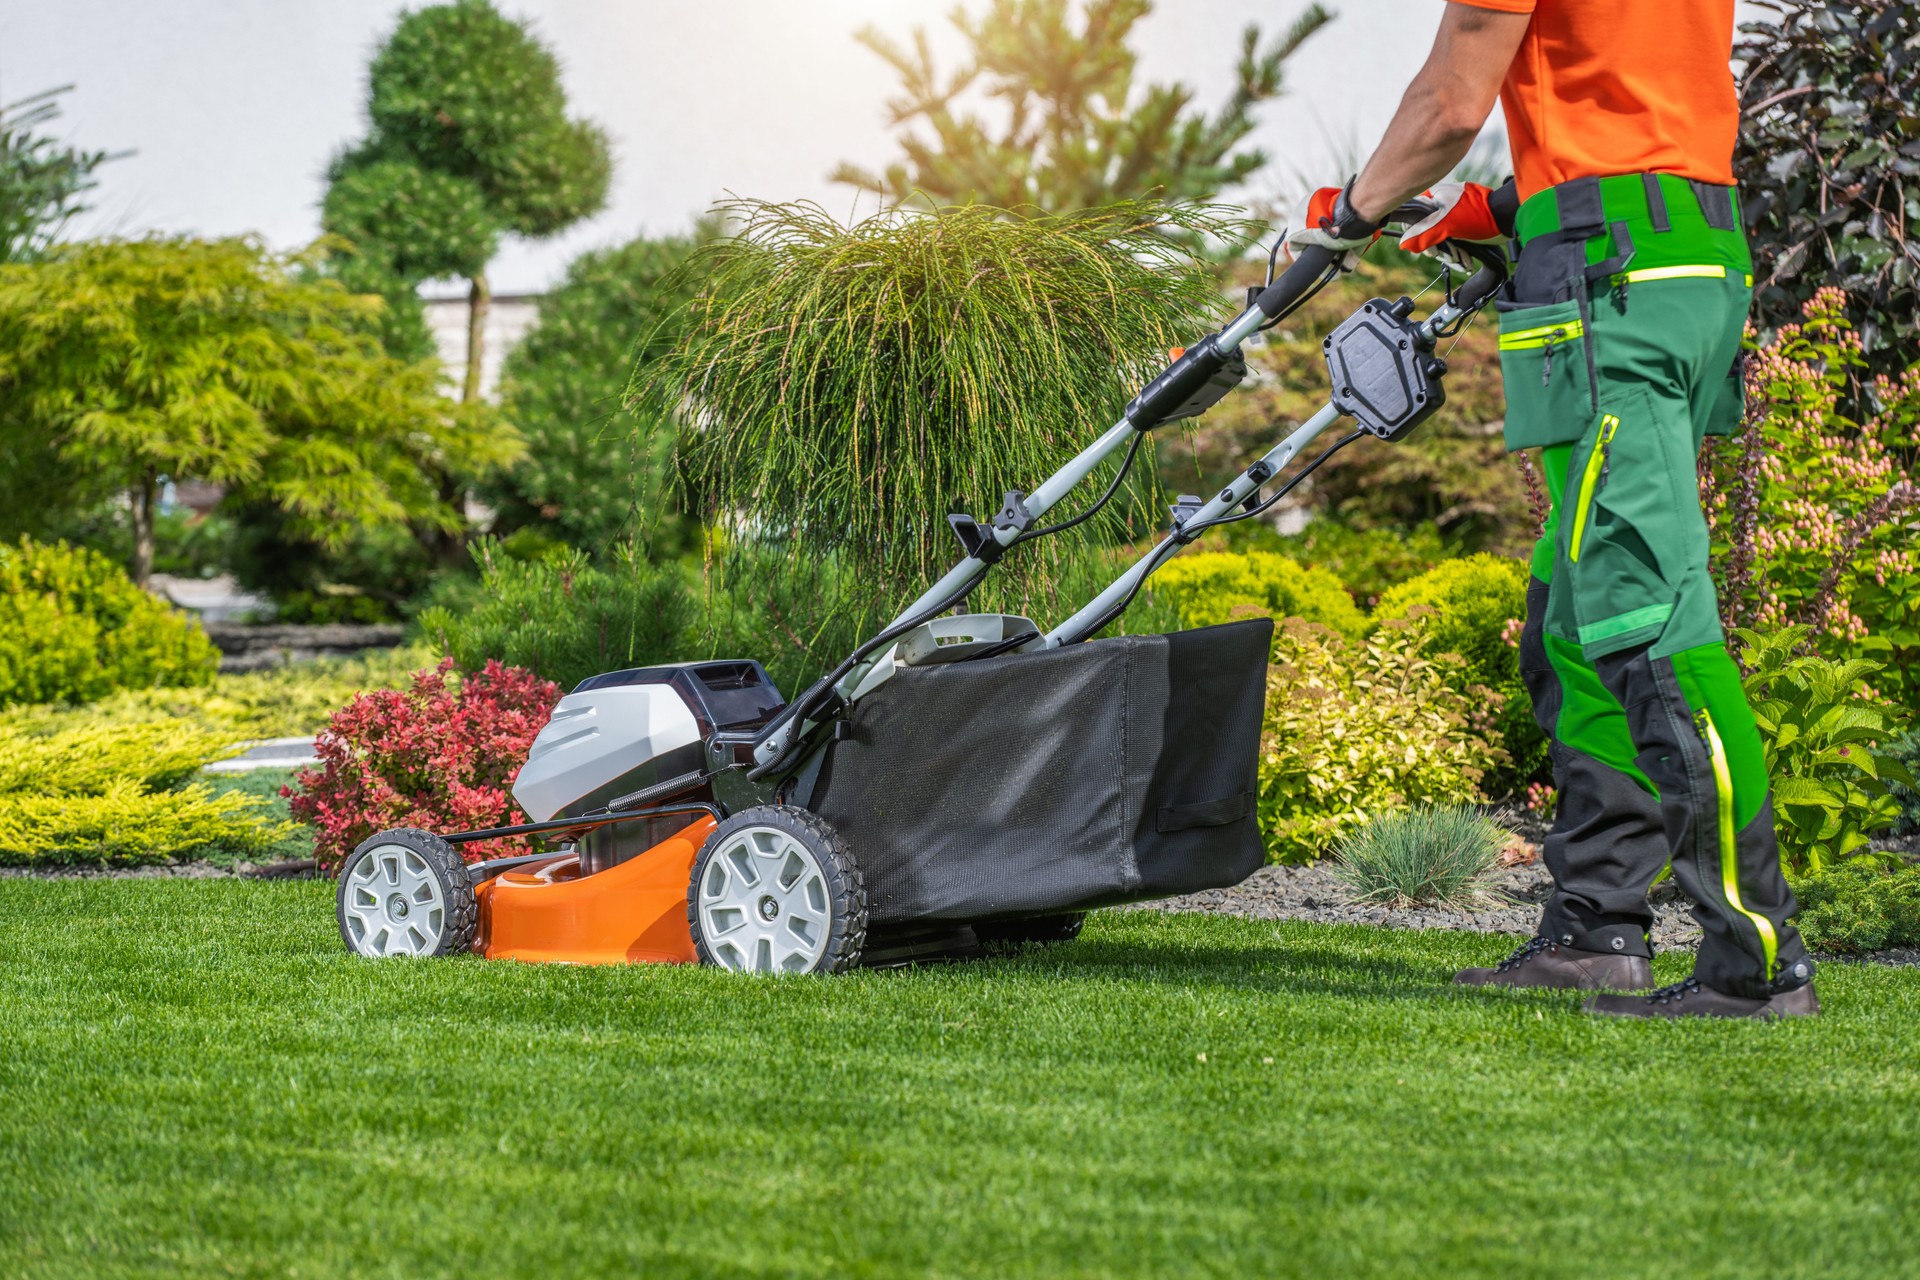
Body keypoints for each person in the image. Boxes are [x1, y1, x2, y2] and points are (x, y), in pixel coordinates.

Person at [1288, 0, 1817, 1018]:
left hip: (1612, 283)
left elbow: (1448, 101)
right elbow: (1639, 114)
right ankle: (1594, 930)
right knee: (1576, 619)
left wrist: (1350, 213)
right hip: (1684, 251)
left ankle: (1757, 960)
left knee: (1651, 628)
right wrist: (1500, 208)